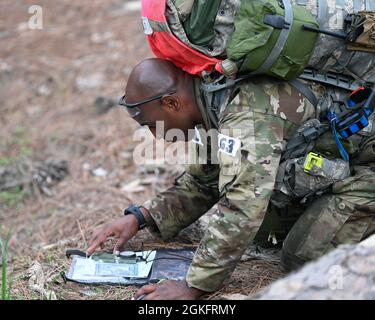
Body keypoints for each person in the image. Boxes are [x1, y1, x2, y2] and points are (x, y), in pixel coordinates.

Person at [86, 58, 375, 300]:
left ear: (172, 103)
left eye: (151, 124)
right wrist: (141, 216)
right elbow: (204, 181)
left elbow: (243, 204)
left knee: (304, 256)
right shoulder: (213, 97)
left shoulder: (246, 115)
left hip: (367, 174)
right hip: (340, 170)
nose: (154, 135)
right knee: (267, 230)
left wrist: (193, 287)